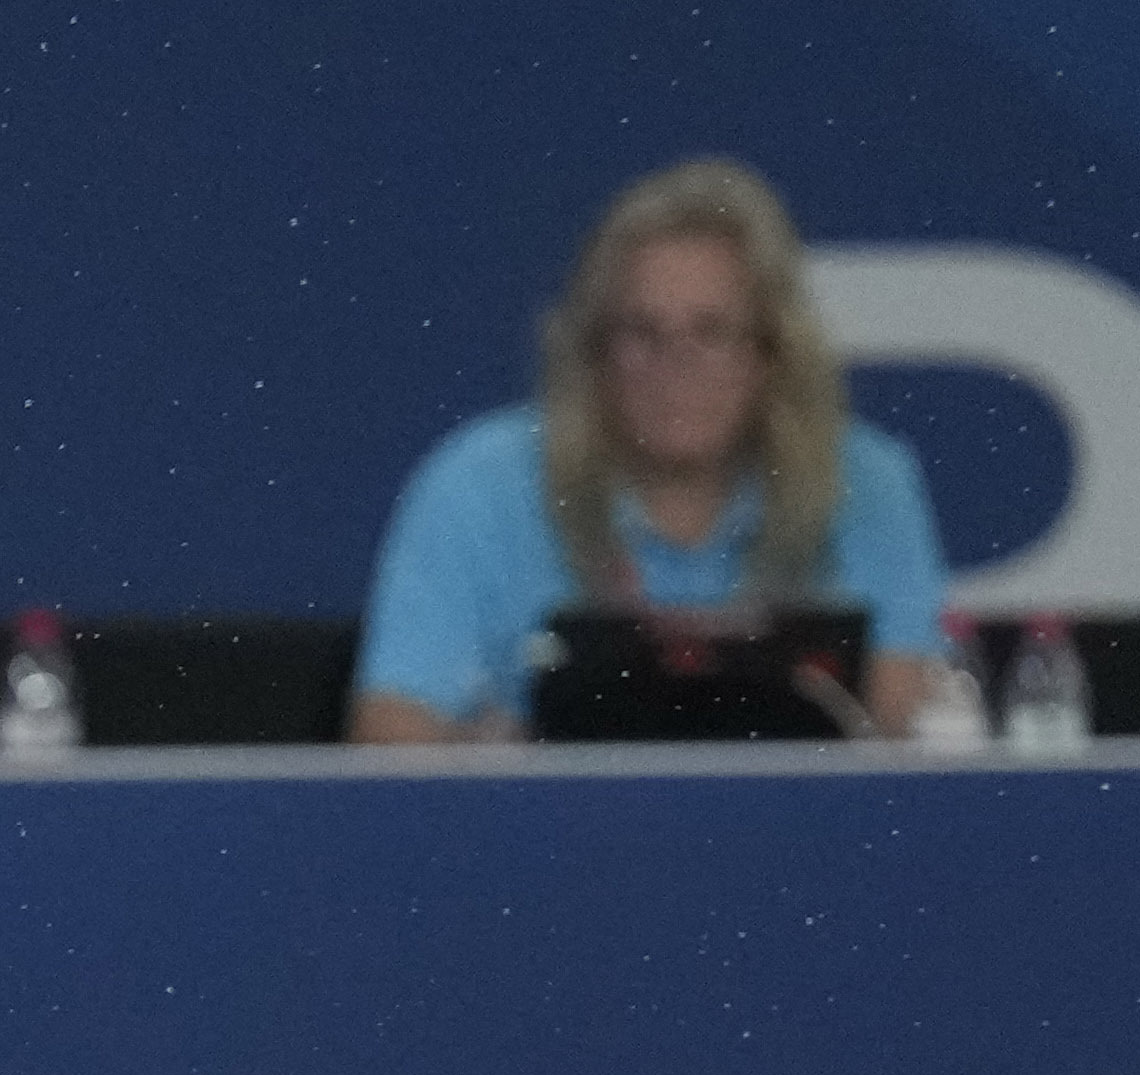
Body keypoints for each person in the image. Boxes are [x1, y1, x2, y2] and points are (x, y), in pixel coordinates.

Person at [356, 157, 957, 740]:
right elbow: (390, 737)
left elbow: (905, 734)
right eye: (643, 333)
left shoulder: (863, 481)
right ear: (594, 354)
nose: (677, 366)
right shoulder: (481, 484)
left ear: (772, 355)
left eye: (712, 332)